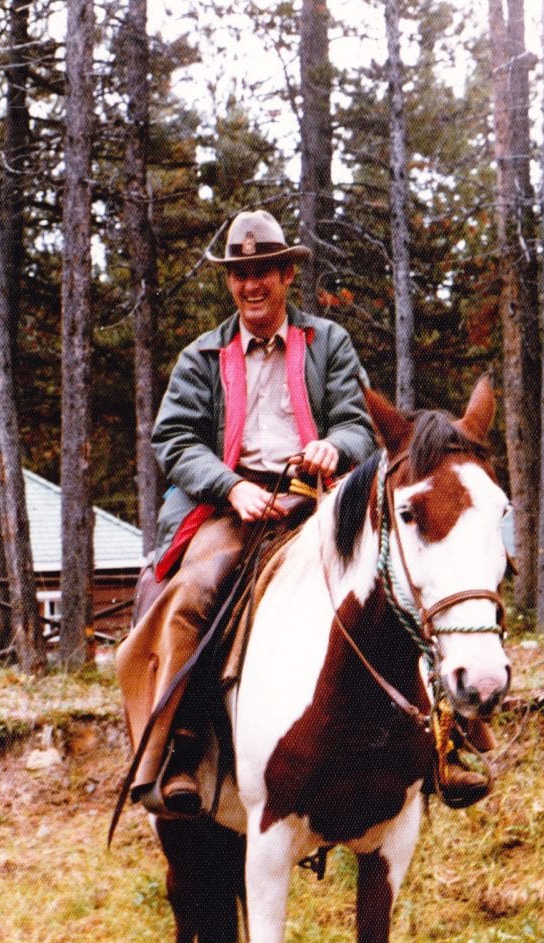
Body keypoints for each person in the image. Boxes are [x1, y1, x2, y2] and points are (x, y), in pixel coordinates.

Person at [116, 209, 377, 817]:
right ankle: (178, 749)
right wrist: (230, 488)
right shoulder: (202, 356)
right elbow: (176, 439)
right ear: (229, 282)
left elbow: (357, 419)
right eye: (239, 274)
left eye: (263, 271)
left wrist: (334, 446)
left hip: (317, 496)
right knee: (192, 594)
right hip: (233, 503)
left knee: (394, 576)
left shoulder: (328, 343)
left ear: (287, 274)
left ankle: (443, 737)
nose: (251, 285)